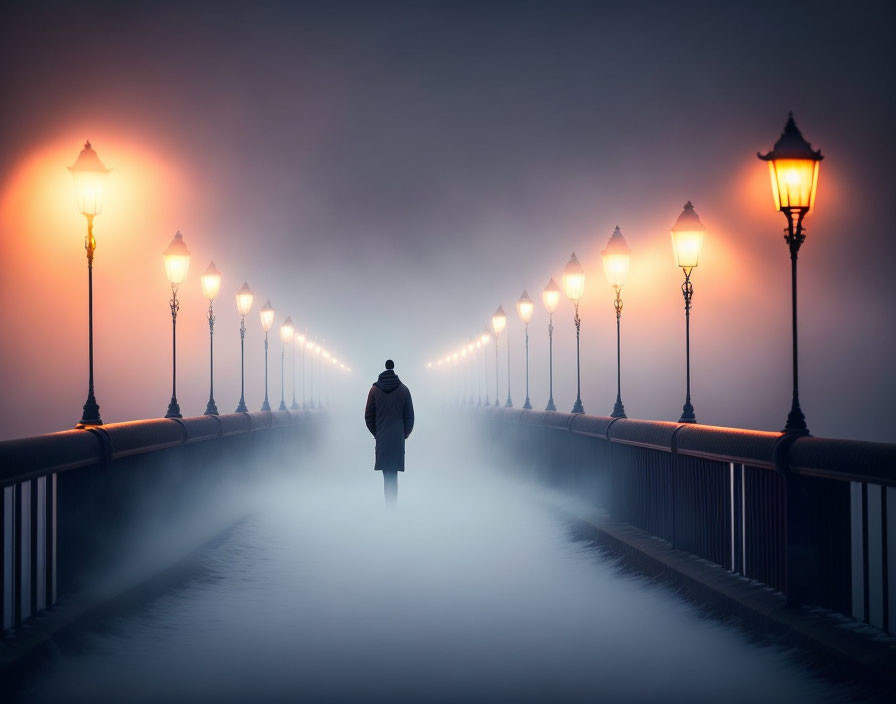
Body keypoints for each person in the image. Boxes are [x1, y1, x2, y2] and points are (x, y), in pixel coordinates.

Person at [364, 359, 414, 505]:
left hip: (383, 438)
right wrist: (404, 434)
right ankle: (393, 506)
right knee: (393, 474)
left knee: (387, 474)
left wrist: (377, 433)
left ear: (384, 369)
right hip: (397, 439)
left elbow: (368, 416)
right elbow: (410, 417)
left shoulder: (374, 390)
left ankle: (389, 505)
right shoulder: (404, 389)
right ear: (393, 369)